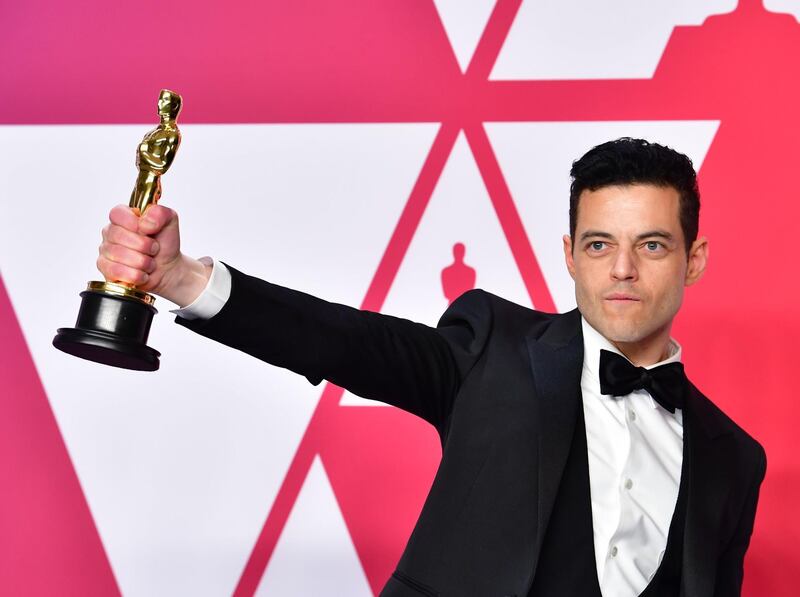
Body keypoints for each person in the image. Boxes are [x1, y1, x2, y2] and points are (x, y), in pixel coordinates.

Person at [97, 138, 766, 597]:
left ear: (694, 258)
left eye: (651, 244)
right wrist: (184, 278)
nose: (622, 269)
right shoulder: (494, 347)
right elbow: (346, 342)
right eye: (599, 244)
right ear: (569, 254)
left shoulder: (735, 458)